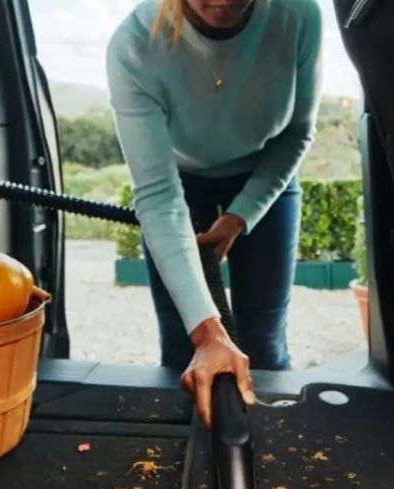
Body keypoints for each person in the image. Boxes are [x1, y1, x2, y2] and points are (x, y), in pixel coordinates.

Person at [106, 0, 323, 427]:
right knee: (184, 341)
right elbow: (157, 194)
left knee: (263, 338)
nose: (223, 2)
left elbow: (297, 132)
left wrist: (241, 215)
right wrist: (207, 332)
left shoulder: (299, 15)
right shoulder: (133, 44)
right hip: (178, 187)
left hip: (266, 175)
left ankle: (275, 444)